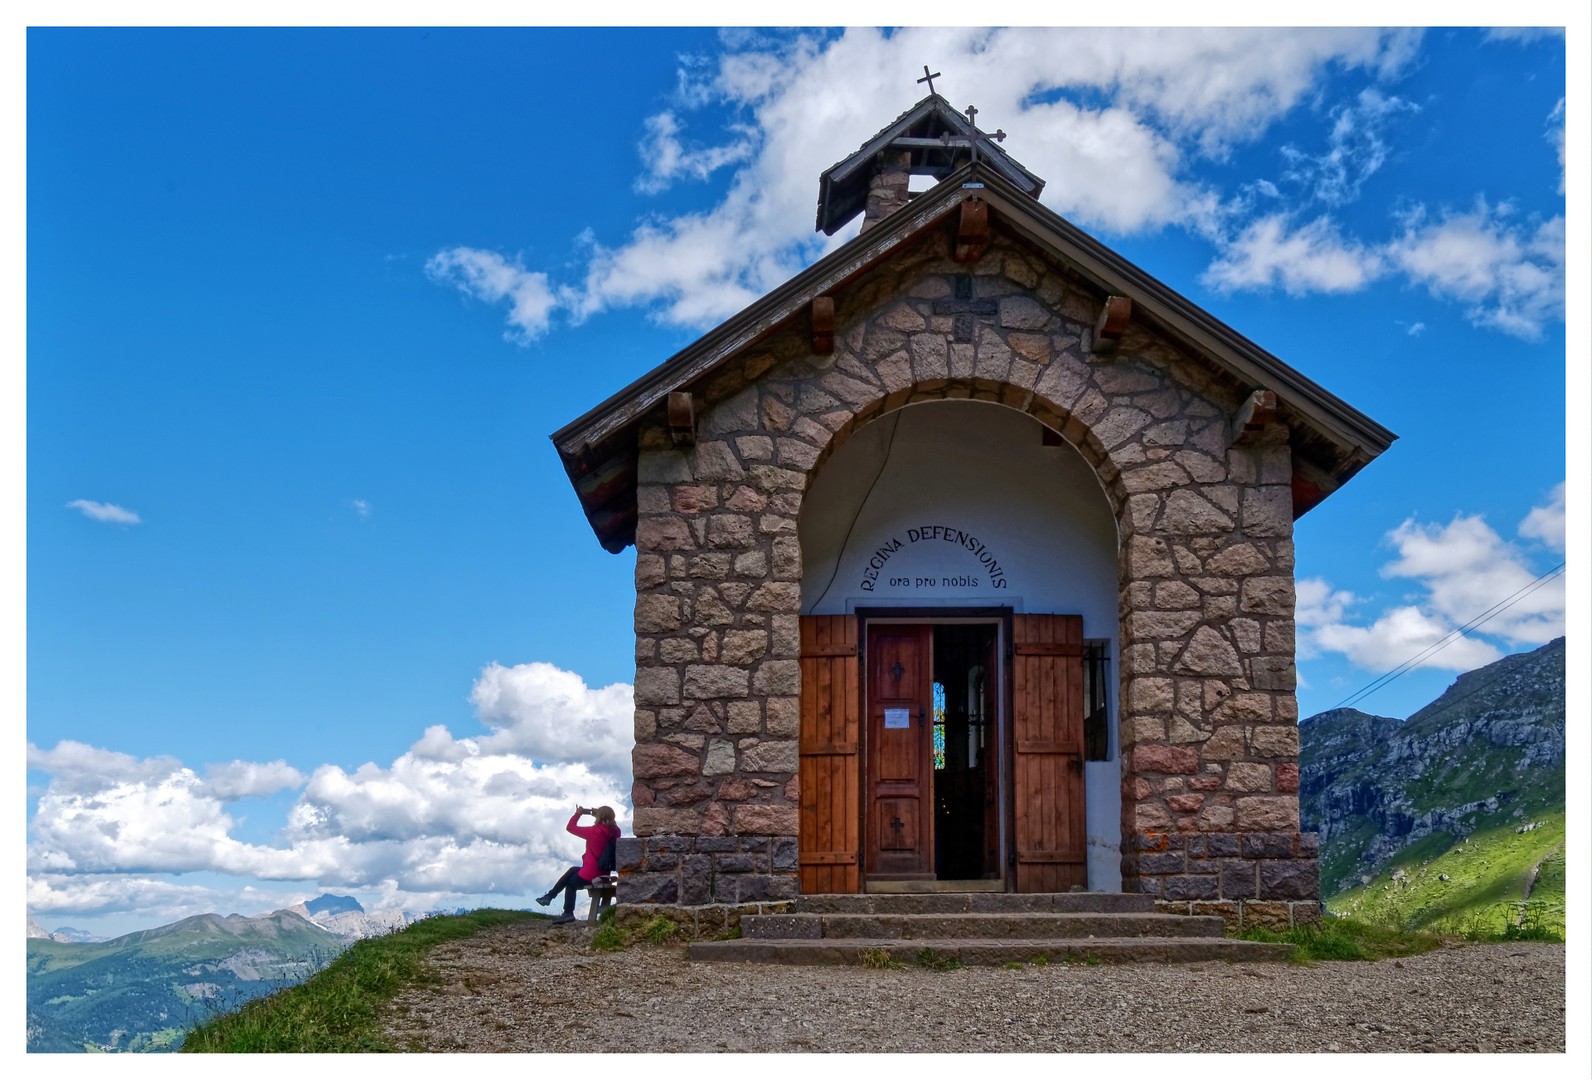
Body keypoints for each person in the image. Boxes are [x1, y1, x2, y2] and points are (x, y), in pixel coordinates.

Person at [537, 805, 621, 925]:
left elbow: (570, 827)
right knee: (573, 870)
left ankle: (567, 913)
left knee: (571, 884)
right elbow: (613, 827)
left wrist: (578, 813)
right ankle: (549, 896)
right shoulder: (615, 832)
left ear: (599, 817)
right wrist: (600, 815)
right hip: (603, 873)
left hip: (590, 874)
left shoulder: (593, 831)